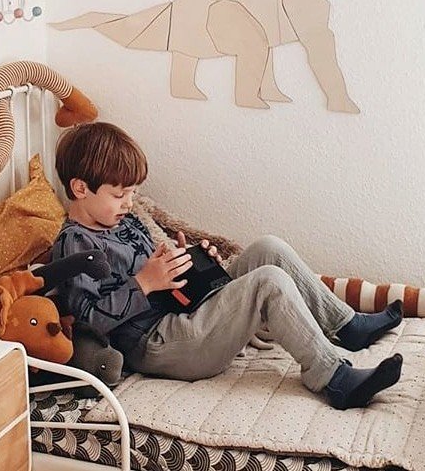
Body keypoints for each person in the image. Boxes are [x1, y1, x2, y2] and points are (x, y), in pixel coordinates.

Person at [52, 122, 403, 409]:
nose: (130, 202)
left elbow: (160, 275)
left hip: (182, 309)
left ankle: (347, 325)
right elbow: (86, 320)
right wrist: (143, 283)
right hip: (158, 343)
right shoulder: (75, 244)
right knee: (268, 282)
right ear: (81, 188)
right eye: (120, 195)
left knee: (269, 249)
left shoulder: (121, 221)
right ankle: (335, 379)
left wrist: (195, 266)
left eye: (132, 192)